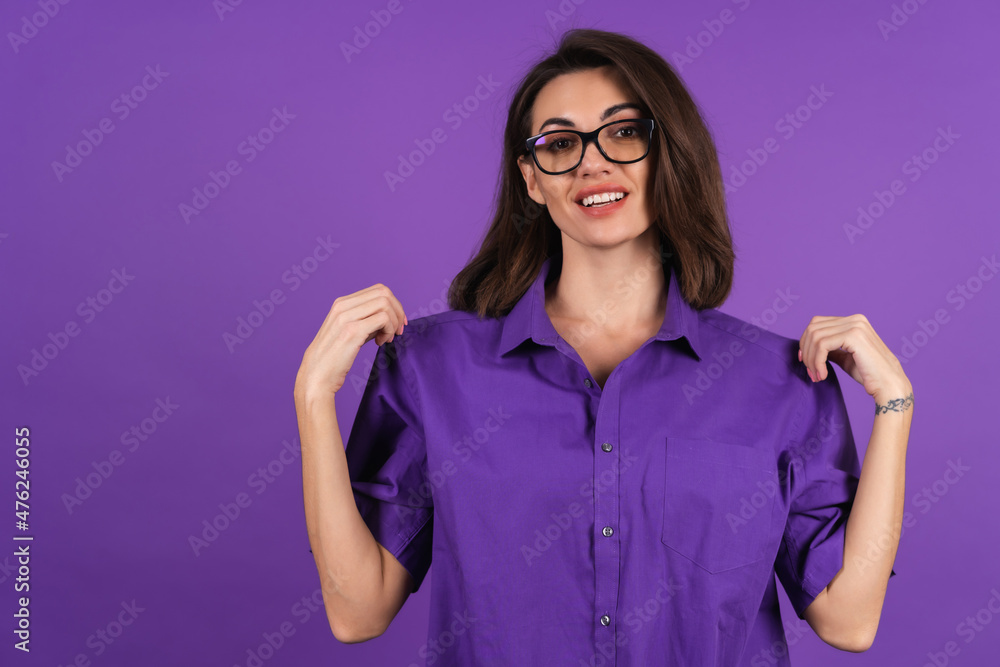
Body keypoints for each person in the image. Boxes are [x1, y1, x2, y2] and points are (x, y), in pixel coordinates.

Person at [295, 28, 913, 666]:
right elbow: (357, 610)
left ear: (667, 154)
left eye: (624, 132)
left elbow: (849, 619)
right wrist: (313, 400)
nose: (593, 162)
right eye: (560, 143)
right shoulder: (431, 367)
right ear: (532, 180)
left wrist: (894, 407)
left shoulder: (782, 383)